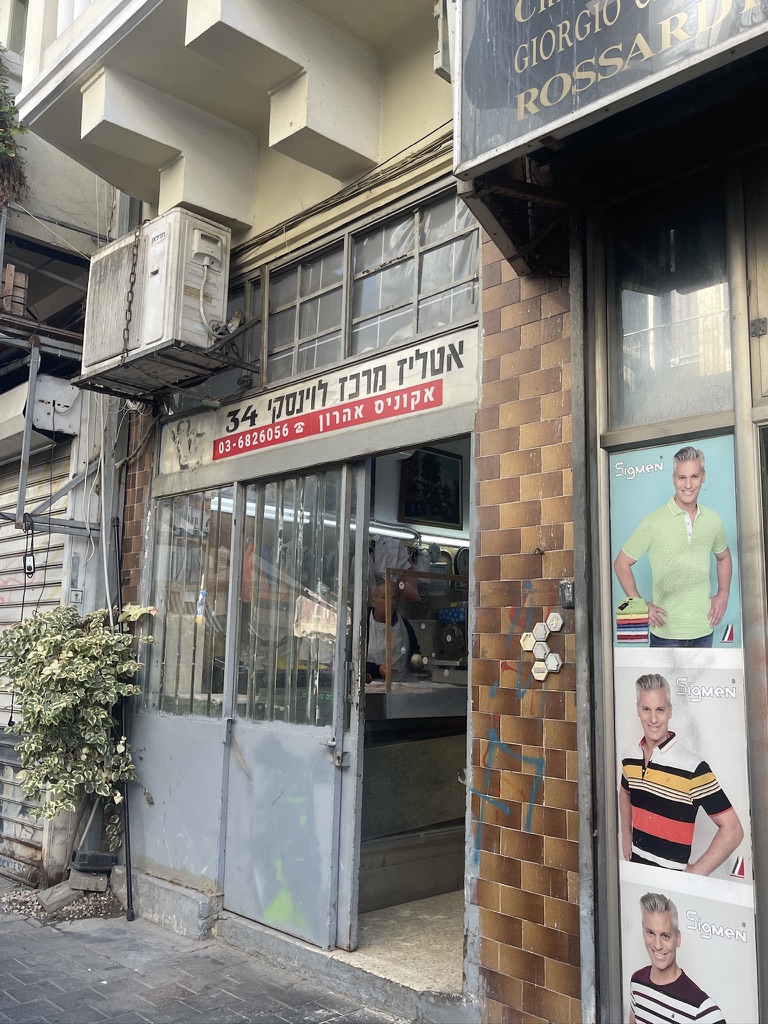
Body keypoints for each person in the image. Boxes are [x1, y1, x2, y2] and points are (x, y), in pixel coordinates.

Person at [619, 673, 743, 874]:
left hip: (673, 888)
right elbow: (625, 792)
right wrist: (626, 833)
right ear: (638, 710)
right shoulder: (629, 758)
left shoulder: (694, 768)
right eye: (646, 709)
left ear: (670, 711)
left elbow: (733, 830)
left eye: (659, 709)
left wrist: (695, 873)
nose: (653, 718)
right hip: (637, 876)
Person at [614, 445, 732, 647]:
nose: (688, 485)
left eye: (694, 476)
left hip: (704, 630)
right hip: (666, 633)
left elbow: (724, 557)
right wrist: (641, 606)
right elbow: (621, 564)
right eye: (681, 477)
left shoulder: (713, 520)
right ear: (673, 479)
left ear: (703, 476)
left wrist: (724, 594)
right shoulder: (653, 522)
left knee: (703, 681)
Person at [629, 892, 726, 1024]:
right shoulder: (637, 982)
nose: (657, 945)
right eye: (650, 933)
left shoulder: (703, 1009)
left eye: (665, 936)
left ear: (678, 938)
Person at [365, 581, 420, 682]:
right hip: (372, 685)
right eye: (384, 597)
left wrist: (416, 662)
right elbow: (352, 661)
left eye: (393, 598)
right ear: (373, 601)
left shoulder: (405, 626)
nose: (390, 603)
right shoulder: (363, 626)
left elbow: (414, 653)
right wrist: (378, 670)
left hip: (401, 686)